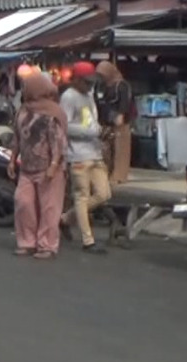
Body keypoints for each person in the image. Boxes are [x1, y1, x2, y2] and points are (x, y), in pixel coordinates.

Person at [10, 71, 69, 259]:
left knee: (49, 208)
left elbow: (58, 141)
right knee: (23, 203)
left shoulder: (52, 112)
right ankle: (27, 242)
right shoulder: (23, 111)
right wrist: (12, 159)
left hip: (49, 169)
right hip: (27, 167)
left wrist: (54, 165)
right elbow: (17, 137)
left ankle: (47, 246)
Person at [62, 61, 112, 254]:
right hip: (78, 154)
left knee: (103, 194)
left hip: (94, 151)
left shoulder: (89, 96)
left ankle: (65, 219)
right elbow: (65, 126)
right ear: (76, 79)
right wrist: (92, 132)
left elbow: (92, 121)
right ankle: (87, 240)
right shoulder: (68, 97)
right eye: (86, 82)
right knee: (81, 196)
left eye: (91, 82)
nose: (89, 85)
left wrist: (100, 132)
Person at [95, 60, 135, 186]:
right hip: (104, 121)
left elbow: (125, 101)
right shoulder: (100, 85)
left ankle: (119, 175)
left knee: (120, 150)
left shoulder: (121, 85)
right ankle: (106, 173)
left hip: (119, 122)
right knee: (105, 150)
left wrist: (121, 115)